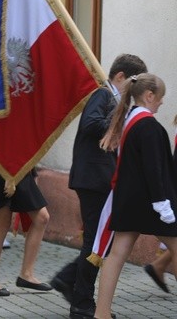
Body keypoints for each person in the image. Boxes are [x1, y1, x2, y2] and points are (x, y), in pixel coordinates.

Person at [50, 54, 148, 319]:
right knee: (96, 241)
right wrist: (121, 118)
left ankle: (68, 280)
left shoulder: (115, 100)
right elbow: (92, 124)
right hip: (93, 179)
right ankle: (81, 303)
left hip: (103, 180)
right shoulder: (103, 95)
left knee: (100, 239)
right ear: (120, 77)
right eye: (132, 83)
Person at [94, 73, 177, 319]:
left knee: (117, 254)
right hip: (152, 202)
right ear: (149, 95)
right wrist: (163, 204)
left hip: (129, 201)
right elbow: (155, 169)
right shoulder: (149, 126)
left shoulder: (130, 120)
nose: (162, 103)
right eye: (160, 98)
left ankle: (102, 313)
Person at [0, 167, 51, 297]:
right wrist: (7, 173)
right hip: (4, 167)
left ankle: (26, 274)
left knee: (42, 218)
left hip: (20, 168)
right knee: (2, 224)